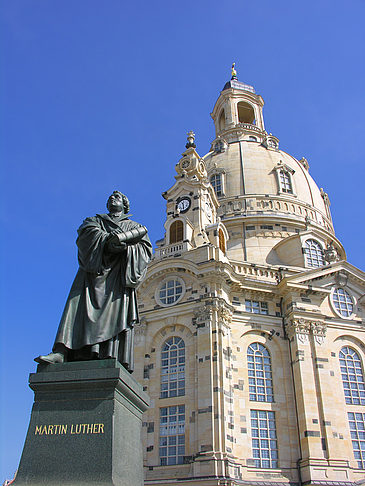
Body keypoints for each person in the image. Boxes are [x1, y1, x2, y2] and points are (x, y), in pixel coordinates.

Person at [35, 191, 152, 372]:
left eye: (117, 197)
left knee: (114, 315)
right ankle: (62, 351)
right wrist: (106, 242)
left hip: (117, 279)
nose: (112, 199)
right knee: (75, 309)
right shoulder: (95, 221)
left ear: (125, 205)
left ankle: (108, 354)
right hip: (92, 273)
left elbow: (144, 251)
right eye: (111, 197)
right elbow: (86, 235)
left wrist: (125, 248)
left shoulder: (134, 226)